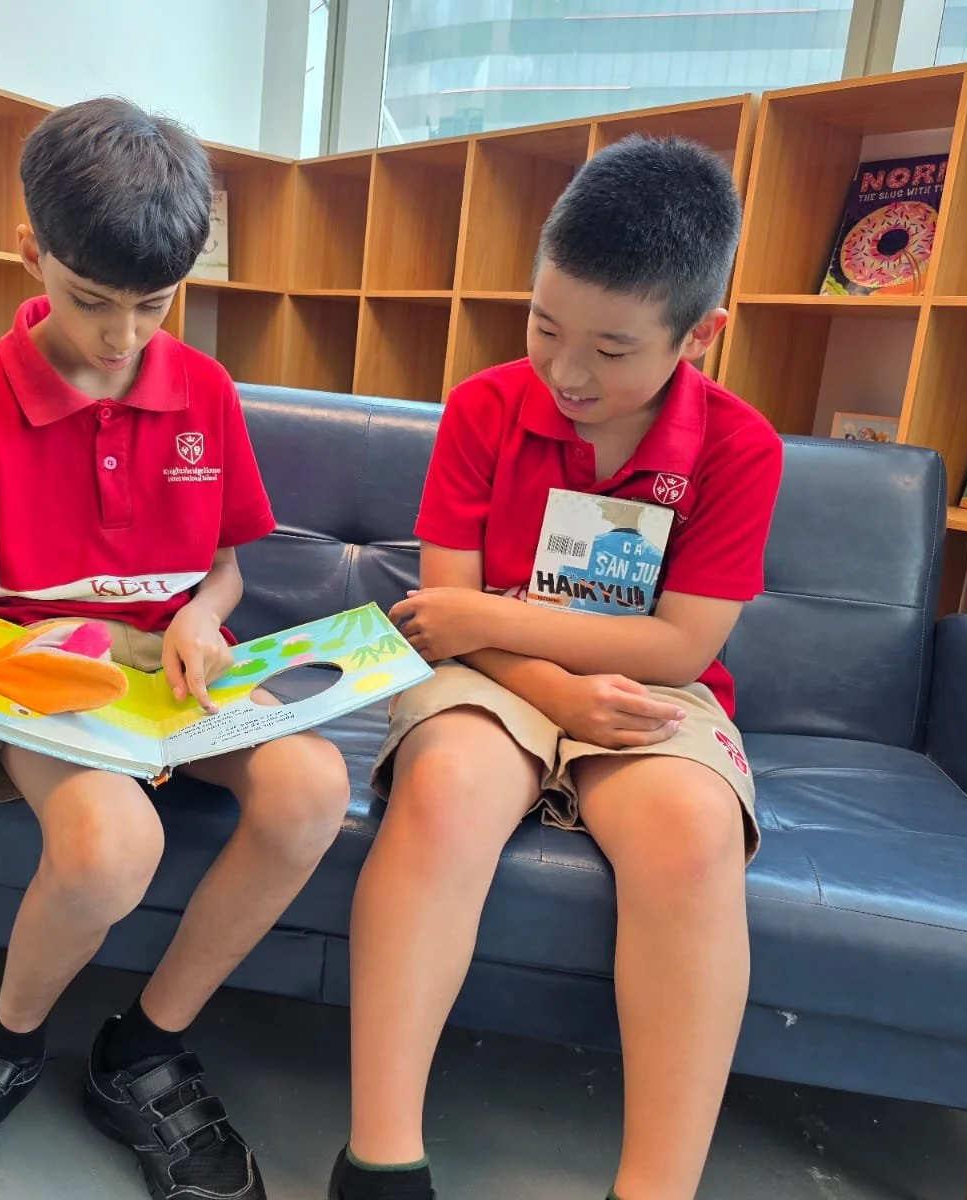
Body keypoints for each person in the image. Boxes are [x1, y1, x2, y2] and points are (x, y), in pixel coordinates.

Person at [0, 96, 351, 1200]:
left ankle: (142, 1050)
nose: (122, 338)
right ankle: (4, 1041)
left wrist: (205, 616)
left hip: (174, 673)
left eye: (153, 306)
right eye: (90, 301)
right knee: (112, 845)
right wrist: (13, 679)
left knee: (312, 785)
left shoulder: (203, 389)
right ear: (32, 252)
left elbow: (225, 566)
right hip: (39, 685)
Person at [332, 135, 784, 1200]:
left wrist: (517, 638)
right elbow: (444, 621)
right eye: (544, 326)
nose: (568, 372)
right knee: (441, 791)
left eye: (614, 349)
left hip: (642, 687)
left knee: (690, 836)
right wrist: (550, 684)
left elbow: (681, 647)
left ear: (700, 334)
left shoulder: (739, 449)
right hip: (496, 674)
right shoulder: (485, 407)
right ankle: (379, 1159)